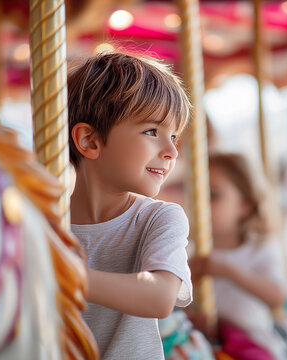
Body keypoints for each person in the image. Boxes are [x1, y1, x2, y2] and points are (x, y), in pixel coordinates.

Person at [68, 53, 193, 359]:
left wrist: (61, 274)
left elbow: (160, 296)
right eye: (152, 131)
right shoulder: (44, 225)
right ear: (90, 141)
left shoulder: (159, 218)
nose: (172, 151)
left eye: (174, 136)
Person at [190, 152, 287, 360]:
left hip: (251, 343)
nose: (202, 204)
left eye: (214, 195)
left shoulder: (259, 247)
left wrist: (227, 271)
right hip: (208, 344)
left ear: (245, 206)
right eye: (197, 195)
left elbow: (277, 297)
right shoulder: (190, 251)